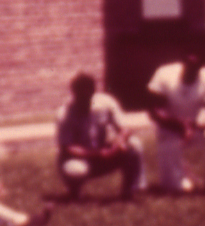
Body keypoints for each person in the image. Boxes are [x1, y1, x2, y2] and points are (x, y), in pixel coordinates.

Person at [146, 51, 205, 195]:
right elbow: (154, 111)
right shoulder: (164, 73)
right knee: (176, 189)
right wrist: (180, 125)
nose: (191, 68)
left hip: (198, 127)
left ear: (201, 67)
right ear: (182, 63)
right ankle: (180, 180)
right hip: (171, 127)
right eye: (188, 64)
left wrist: (197, 126)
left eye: (195, 66)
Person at [54, 72, 144, 202]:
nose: (85, 98)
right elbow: (67, 147)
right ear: (73, 93)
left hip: (104, 153)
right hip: (80, 159)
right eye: (81, 95)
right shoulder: (64, 113)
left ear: (93, 91)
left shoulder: (106, 102)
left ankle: (128, 192)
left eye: (88, 94)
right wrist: (99, 154)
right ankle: (74, 193)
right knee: (75, 169)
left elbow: (125, 128)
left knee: (132, 149)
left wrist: (118, 143)